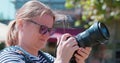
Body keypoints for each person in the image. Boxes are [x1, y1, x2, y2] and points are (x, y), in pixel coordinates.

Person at [0, 1, 92, 63]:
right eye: (42, 28)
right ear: (21, 24)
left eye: (49, 30)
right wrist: (61, 60)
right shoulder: (9, 57)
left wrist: (77, 60)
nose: (47, 34)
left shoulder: (48, 58)